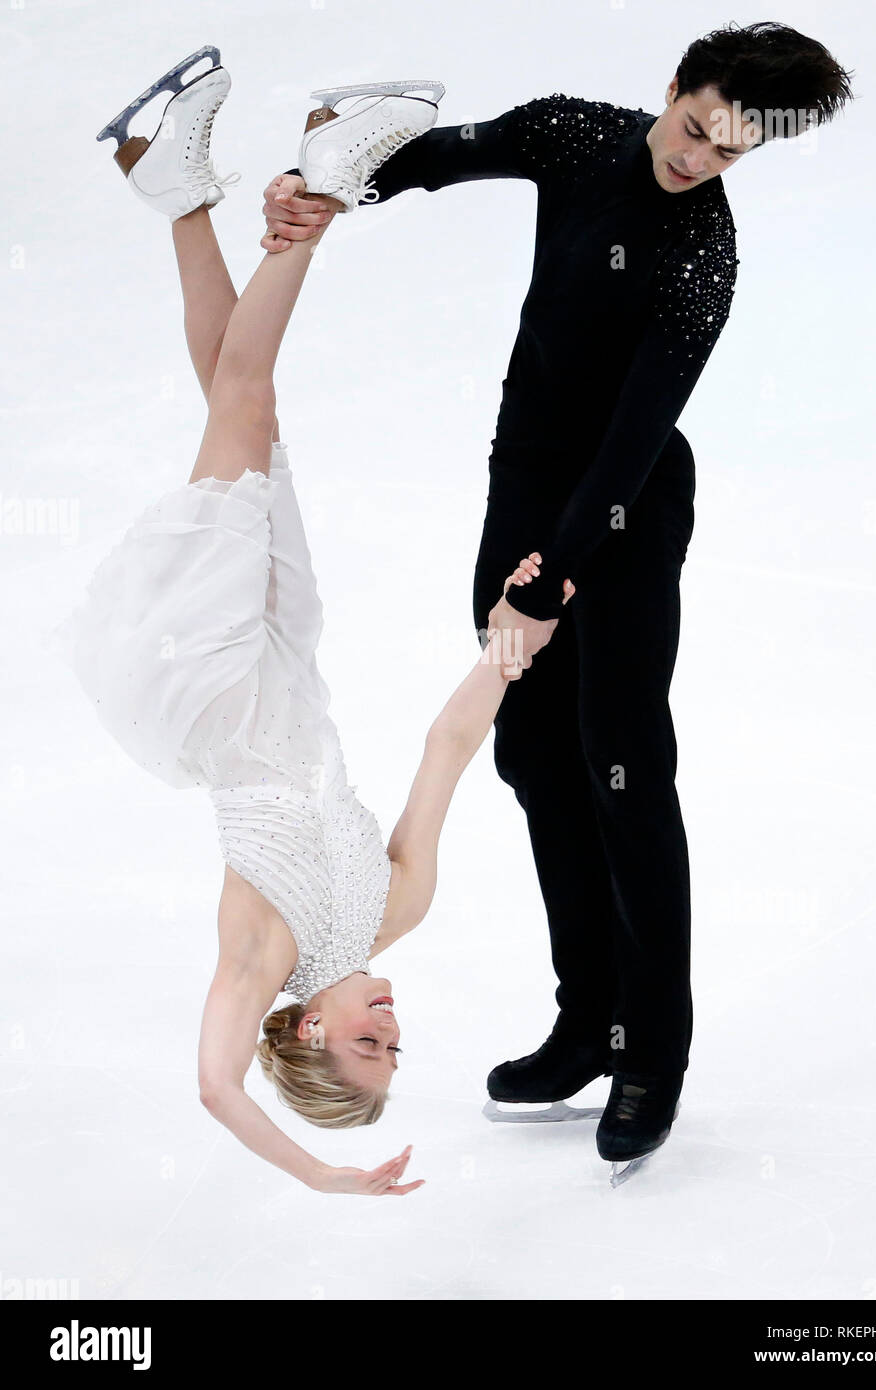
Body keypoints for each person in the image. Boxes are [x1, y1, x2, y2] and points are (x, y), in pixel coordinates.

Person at [264, 21, 855, 1174]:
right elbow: (440, 155)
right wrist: (326, 188)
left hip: (622, 512)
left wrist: (549, 575)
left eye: (729, 154)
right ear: (673, 87)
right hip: (524, 481)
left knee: (624, 764)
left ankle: (654, 1053)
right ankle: (589, 1018)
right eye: (693, 130)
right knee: (534, 757)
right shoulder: (576, 136)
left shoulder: (702, 260)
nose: (696, 161)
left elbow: (635, 436)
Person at [53, 50, 574, 1198]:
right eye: (398, 1045)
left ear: (301, 1034)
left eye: (367, 1045)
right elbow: (447, 749)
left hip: (213, 676)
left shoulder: (263, 958)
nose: (389, 1025)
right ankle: (173, 181)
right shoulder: (402, 908)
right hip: (287, 657)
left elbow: (211, 1088)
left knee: (244, 400)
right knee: (247, 406)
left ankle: (324, 185)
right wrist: (510, 645)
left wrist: (321, 1178)